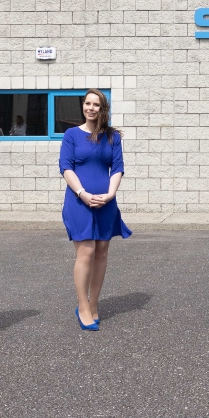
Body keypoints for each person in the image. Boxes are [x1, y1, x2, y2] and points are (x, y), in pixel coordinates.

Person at [59, 90, 132, 331]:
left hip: (105, 202)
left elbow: (118, 167)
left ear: (103, 109)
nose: (91, 108)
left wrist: (110, 194)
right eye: (87, 104)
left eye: (96, 105)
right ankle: (82, 306)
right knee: (86, 252)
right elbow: (66, 167)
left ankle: (94, 303)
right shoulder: (71, 135)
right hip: (79, 201)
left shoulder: (112, 137)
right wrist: (82, 193)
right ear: (83, 106)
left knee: (101, 251)